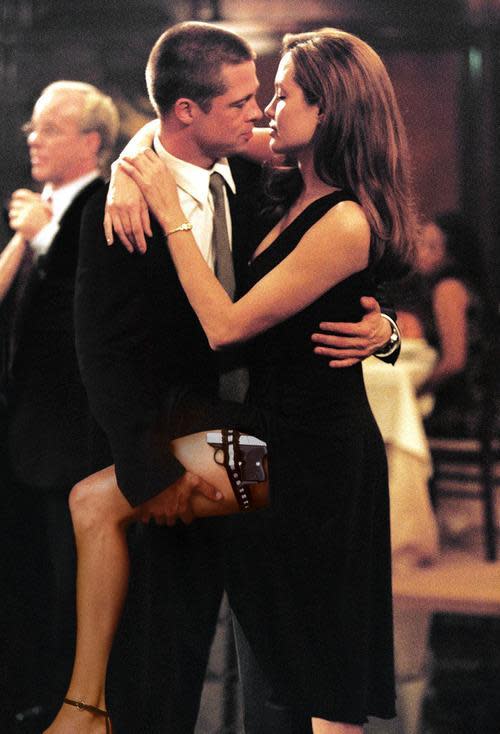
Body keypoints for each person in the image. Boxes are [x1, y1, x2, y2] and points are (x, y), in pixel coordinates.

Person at [44, 23, 409, 734]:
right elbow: (105, 355)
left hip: (303, 457)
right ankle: (84, 707)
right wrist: (132, 159)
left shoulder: (324, 210)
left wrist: (387, 332)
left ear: (327, 111)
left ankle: (82, 710)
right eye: (248, 100)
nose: (264, 112)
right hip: (249, 435)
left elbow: (235, 323)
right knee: (272, 664)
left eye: (278, 96)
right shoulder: (277, 185)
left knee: (315, 676)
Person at [0, 82, 119, 726]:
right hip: (25, 433)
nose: (33, 138)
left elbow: (96, 310)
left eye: (49, 128)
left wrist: (44, 238)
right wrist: (29, 238)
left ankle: (75, 707)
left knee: (69, 583)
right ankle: (34, 700)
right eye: (32, 127)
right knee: (31, 584)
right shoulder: (38, 211)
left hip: (72, 437)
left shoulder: (106, 204)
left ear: (91, 141)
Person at [401, 213, 484, 436]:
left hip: (466, 411)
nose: (420, 253)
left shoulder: (448, 289)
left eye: (431, 247)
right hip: (474, 406)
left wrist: (414, 392)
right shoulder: (463, 285)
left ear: (452, 256)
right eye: (421, 243)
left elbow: (454, 362)